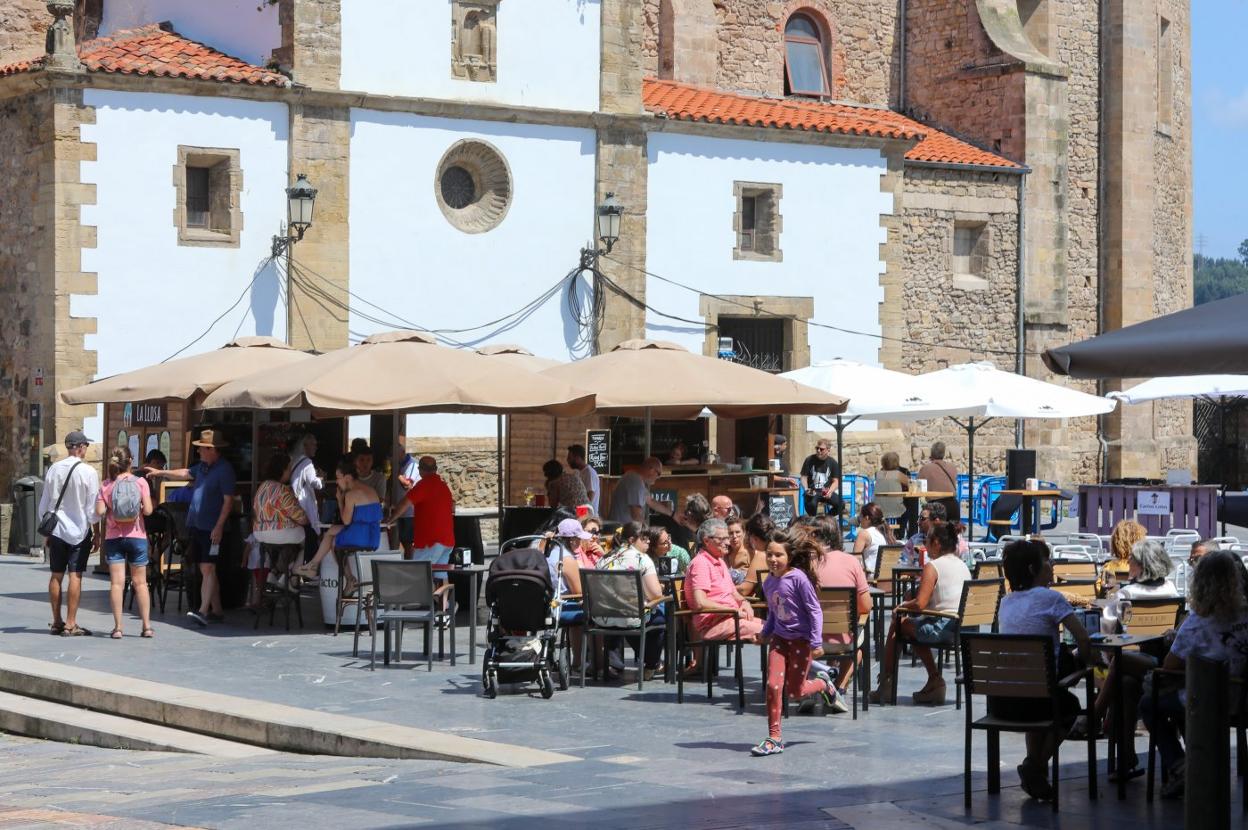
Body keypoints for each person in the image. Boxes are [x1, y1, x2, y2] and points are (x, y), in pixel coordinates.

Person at [1141, 550, 1248, 799]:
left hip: (1207, 700)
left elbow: (1169, 666)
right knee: (1180, 699)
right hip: (1241, 698)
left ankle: (1180, 766)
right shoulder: (1245, 614)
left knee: (1150, 703)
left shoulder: (1198, 622)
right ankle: (1198, 764)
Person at [994, 539, 1093, 800]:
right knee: (1069, 707)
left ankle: (1035, 769)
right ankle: (1035, 768)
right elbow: (1082, 637)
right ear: (1032, 568)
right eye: (1045, 561)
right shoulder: (1052, 598)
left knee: (1038, 692)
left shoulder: (1006, 602)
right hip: (1040, 698)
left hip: (1003, 701)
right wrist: (1088, 663)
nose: (1050, 565)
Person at [1073, 538, 1180, 773]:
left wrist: (1102, 659)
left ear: (1141, 565)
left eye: (1132, 559)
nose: (1128, 562)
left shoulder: (1127, 594)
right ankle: (1126, 759)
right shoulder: (1172, 589)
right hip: (1163, 662)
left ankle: (1095, 715)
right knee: (1126, 682)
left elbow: (1107, 636)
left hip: (1140, 662)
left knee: (1119, 664)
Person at [751, 529, 835, 757]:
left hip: (801, 641)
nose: (773, 559)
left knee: (795, 692)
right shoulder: (768, 582)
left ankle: (823, 684)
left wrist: (816, 642)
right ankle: (774, 737)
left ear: (789, 557)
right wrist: (764, 633)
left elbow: (814, 610)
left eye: (778, 555)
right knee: (773, 685)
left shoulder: (798, 578)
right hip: (779, 640)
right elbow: (773, 613)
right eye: (769, 554)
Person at [871, 522, 970, 705]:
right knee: (909, 626)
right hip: (965, 629)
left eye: (927, 541)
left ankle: (886, 683)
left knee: (899, 624)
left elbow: (920, 604)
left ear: (937, 543)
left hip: (944, 628)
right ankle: (933, 681)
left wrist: (901, 606)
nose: (924, 545)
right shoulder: (962, 565)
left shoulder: (934, 566)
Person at [148, 429, 236, 627]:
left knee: (207, 567)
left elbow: (228, 501)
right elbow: (185, 472)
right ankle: (217, 609)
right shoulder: (203, 467)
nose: (198, 453)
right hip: (197, 525)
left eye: (201, 449)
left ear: (211, 449)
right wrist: (161, 472)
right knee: (207, 569)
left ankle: (204, 611)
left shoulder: (225, 470)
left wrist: (219, 527)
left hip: (211, 527)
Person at [788, 515, 870, 714]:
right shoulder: (851, 562)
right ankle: (839, 688)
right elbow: (866, 606)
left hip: (807, 642)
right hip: (841, 640)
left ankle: (809, 689)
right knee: (858, 648)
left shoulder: (801, 564)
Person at [40, 430, 101, 637]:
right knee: (76, 576)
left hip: (56, 529)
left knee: (56, 574)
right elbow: (93, 509)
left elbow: (45, 503)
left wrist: (46, 530)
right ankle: (71, 623)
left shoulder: (54, 469)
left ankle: (57, 621)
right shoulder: (89, 472)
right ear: (81, 447)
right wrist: (97, 531)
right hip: (79, 530)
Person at [96, 446, 154, 639]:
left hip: (114, 538)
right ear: (131, 461)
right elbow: (148, 511)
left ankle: (118, 627)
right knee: (141, 583)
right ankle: (146, 627)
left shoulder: (106, 484)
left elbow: (100, 512)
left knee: (117, 584)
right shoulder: (141, 482)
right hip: (137, 537)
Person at [599, 521, 666, 680]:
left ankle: (647, 661)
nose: (648, 541)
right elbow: (655, 594)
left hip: (603, 618)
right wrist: (661, 589)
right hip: (631, 617)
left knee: (636, 616)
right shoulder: (642, 559)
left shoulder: (604, 559)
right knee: (661, 615)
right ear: (631, 539)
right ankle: (651, 665)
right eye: (644, 538)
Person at [296, 460, 383, 580]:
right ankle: (313, 565)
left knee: (333, 542)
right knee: (331, 531)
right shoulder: (371, 490)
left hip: (360, 537)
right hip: (373, 536)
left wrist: (340, 501)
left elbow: (346, 521)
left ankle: (348, 578)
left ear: (347, 477)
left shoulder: (351, 494)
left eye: (338, 477)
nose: (336, 481)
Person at [684, 518, 764, 643]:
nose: (728, 542)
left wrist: (744, 603)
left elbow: (734, 593)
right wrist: (734, 611)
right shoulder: (701, 563)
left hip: (730, 618)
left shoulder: (720, 561)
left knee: (777, 628)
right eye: (722, 539)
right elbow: (700, 602)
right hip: (714, 624)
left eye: (727, 538)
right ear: (706, 540)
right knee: (774, 632)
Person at [252, 454, 309, 591]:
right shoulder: (282, 489)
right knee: (305, 538)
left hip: (259, 533)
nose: (290, 472)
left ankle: (274, 572)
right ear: (282, 470)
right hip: (279, 531)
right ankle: (292, 575)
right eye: (289, 468)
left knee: (287, 545)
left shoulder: (262, 487)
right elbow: (301, 517)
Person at [390, 456, 456, 564]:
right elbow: (453, 506)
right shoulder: (444, 486)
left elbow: (404, 504)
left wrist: (390, 519)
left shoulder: (423, 485)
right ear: (435, 469)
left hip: (430, 541)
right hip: (447, 540)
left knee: (420, 574)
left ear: (420, 470)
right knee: (440, 575)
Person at [289, 433, 324, 564]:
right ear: (305, 446)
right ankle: (309, 567)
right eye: (313, 444)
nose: (315, 447)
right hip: (304, 505)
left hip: (294, 505)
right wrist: (321, 479)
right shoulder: (307, 463)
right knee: (310, 537)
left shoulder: (294, 460)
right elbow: (314, 483)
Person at [607, 457, 673, 524]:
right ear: (652, 470)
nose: (658, 478)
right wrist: (647, 531)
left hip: (620, 527)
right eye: (658, 474)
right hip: (621, 530)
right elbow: (636, 515)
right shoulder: (635, 481)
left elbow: (651, 501)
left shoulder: (633, 477)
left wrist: (673, 514)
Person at [902, 502, 969, 564]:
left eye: (922, 518)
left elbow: (967, 564)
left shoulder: (956, 540)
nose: (918, 522)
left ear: (936, 521)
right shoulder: (914, 540)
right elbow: (903, 563)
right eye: (919, 518)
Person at [917, 441, 960, 522]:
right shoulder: (952, 467)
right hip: (953, 504)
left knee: (933, 533)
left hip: (935, 507)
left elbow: (918, 488)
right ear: (943, 453)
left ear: (931, 453)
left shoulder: (926, 468)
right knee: (953, 533)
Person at [391, 434, 419, 555]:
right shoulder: (400, 465)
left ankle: (411, 564)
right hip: (401, 511)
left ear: (401, 453)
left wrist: (396, 474)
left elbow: (408, 485)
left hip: (410, 512)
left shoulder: (412, 464)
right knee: (402, 541)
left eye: (394, 455)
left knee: (408, 542)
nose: (392, 458)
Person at [726, 515, 766, 599]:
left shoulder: (752, 553)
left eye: (737, 532)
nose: (734, 536)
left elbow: (746, 589)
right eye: (730, 533)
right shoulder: (724, 554)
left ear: (744, 533)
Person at [1100, 519, 1146, 591]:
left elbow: (1100, 592)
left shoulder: (1108, 569)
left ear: (1115, 542)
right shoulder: (1145, 569)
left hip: (1115, 600)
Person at [800, 439, 841, 518]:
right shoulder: (809, 460)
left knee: (841, 504)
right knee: (811, 505)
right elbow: (803, 477)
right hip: (812, 491)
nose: (818, 450)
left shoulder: (833, 462)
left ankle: (825, 520)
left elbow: (836, 481)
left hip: (825, 491)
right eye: (817, 448)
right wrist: (806, 489)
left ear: (828, 450)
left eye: (821, 449)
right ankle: (814, 521)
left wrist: (830, 491)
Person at [851, 502, 896, 575]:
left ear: (867, 518)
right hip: (886, 578)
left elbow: (855, 560)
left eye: (860, 516)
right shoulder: (886, 533)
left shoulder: (864, 534)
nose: (859, 520)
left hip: (869, 577)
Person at [873, 451, 909, 525]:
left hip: (880, 508)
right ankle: (902, 533)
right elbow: (910, 484)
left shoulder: (878, 474)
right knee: (910, 509)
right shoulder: (898, 474)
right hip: (896, 509)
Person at [566, 444, 600, 515]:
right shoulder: (578, 472)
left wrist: (580, 517)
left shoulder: (589, 472)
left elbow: (589, 498)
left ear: (578, 458)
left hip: (588, 518)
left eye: (569, 458)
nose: (567, 460)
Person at [351, 443, 387, 508]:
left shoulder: (379, 478)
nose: (365, 463)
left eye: (368, 460)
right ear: (355, 461)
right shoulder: (350, 477)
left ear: (372, 461)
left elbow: (380, 500)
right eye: (361, 460)